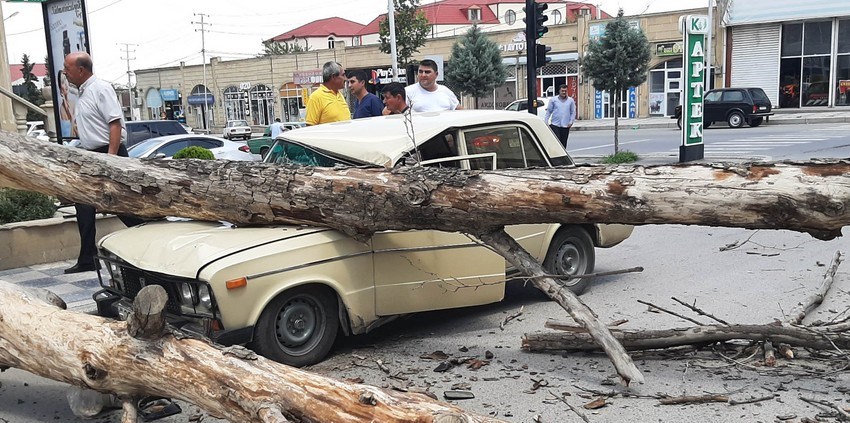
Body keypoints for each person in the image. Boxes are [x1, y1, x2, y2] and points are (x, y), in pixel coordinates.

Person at [62, 52, 143, 274]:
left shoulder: (101, 89)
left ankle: (152, 237)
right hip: (93, 155)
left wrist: (111, 158)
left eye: (67, 68)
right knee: (83, 204)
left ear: (81, 70)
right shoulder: (82, 93)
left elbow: (114, 124)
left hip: (109, 153)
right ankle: (87, 258)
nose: (65, 72)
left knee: (121, 206)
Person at [305, 61, 350, 125]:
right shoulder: (315, 97)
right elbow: (310, 126)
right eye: (343, 75)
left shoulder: (340, 95)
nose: (345, 79)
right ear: (333, 77)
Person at [544, 84, 577, 148]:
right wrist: (546, 121)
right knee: (556, 142)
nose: (564, 92)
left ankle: (562, 153)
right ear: (559, 91)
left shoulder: (570, 101)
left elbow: (573, 112)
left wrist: (571, 122)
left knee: (563, 143)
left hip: (565, 125)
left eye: (565, 91)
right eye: (562, 91)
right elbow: (549, 111)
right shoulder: (553, 100)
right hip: (555, 125)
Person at [57, 70, 77, 138]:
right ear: (60, 88)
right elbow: (72, 121)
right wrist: (65, 103)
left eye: (66, 80)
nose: (66, 84)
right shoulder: (62, 108)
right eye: (63, 82)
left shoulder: (73, 102)